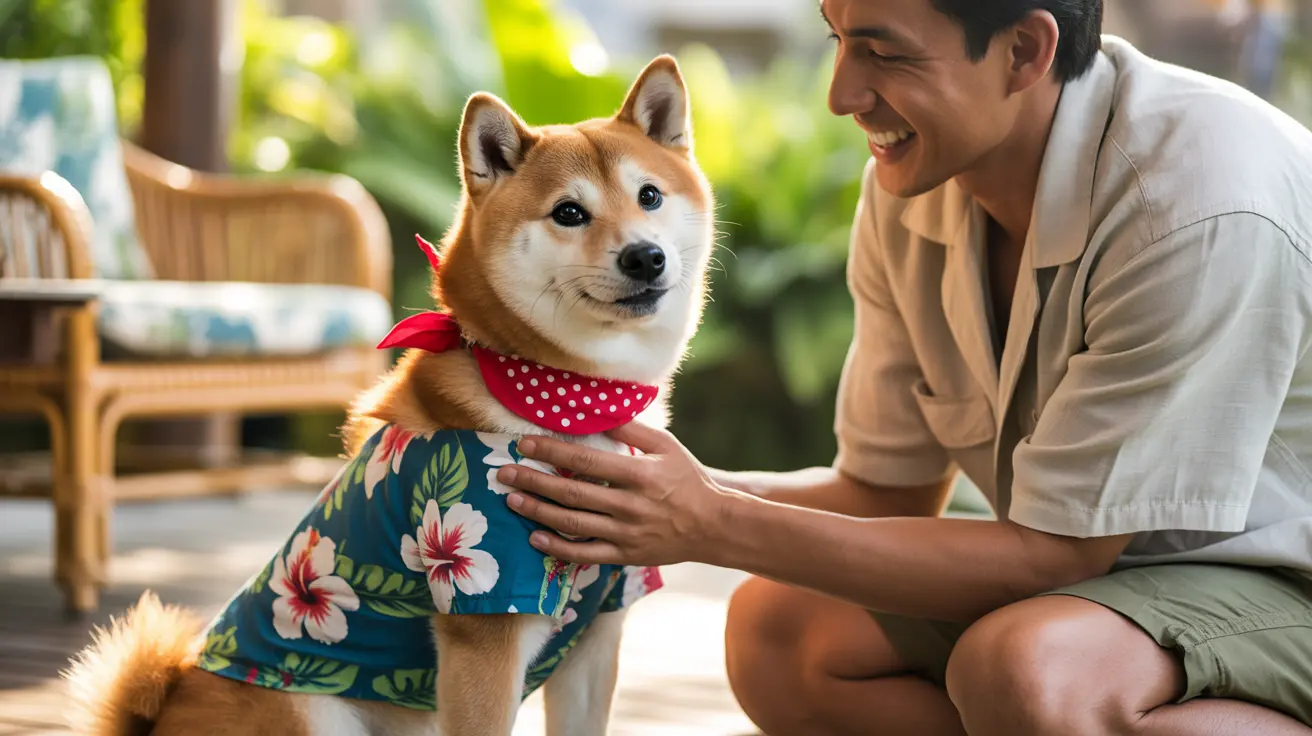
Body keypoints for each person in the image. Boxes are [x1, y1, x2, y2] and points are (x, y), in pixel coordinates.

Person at [495, 0, 1312, 733]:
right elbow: (884, 492)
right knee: (778, 632)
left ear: (1024, 51)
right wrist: (633, 496)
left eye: (885, 52)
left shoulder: (1192, 203)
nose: (841, 92)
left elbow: (1059, 556)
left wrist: (711, 522)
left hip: (1280, 588)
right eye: (838, 38)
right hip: (1110, 587)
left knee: (1028, 671)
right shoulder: (914, 185)